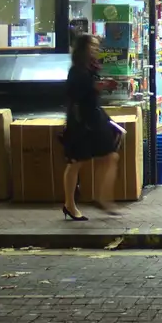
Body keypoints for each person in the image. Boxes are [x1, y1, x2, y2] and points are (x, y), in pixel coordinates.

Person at [61, 33, 122, 219]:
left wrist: (101, 86)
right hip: (81, 122)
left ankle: (102, 198)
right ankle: (70, 204)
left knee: (111, 156)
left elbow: (91, 88)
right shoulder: (76, 70)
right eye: (92, 46)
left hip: (94, 120)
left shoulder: (91, 67)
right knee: (76, 163)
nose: (96, 49)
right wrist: (98, 86)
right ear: (83, 48)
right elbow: (76, 92)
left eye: (97, 46)